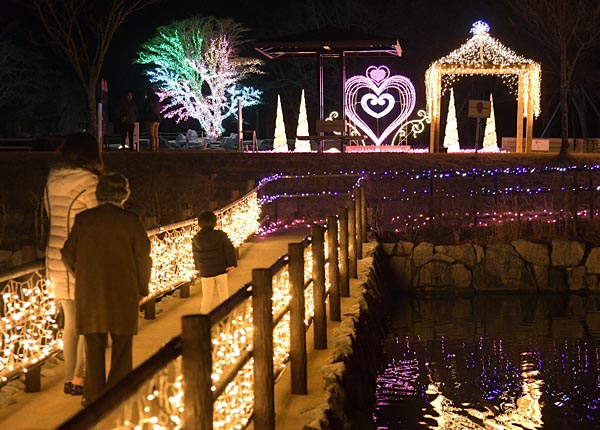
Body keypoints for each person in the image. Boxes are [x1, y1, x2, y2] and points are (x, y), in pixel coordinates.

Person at [61, 172, 152, 405]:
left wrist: (82, 274)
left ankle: (93, 395)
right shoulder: (131, 221)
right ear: (124, 194)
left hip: (90, 293)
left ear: (99, 192)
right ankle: (118, 393)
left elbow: (67, 254)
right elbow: (143, 257)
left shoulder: (84, 220)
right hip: (124, 292)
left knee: (93, 347)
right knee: (122, 346)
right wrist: (142, 288)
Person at [44, 132, 103, 397]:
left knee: (71, 321)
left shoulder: (53, 178)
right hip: (81, 257)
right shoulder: (88, 181)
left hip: (55, 254)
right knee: (84, 322)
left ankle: (72, 376)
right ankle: (78, 378)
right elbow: (99, 215)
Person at [192, 211, 237, 313]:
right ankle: (225, 314)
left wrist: (198, 268)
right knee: (223, 292)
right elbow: (229, 248)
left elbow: (195, 254)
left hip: (206, 270)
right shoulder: (220, 235)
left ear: (199, 224)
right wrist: (231, 263)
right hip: (220, 267)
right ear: (214, 222)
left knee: (207, 296)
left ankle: (203, 317)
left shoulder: (196, 238)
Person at [142, 87, 161, 152]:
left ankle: (152, 147)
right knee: (156, 135)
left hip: (150, 119)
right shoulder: (157, 100)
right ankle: (156, 147)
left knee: (151, 135)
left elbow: (146, 109)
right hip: (157, 119)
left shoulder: (149, 100)